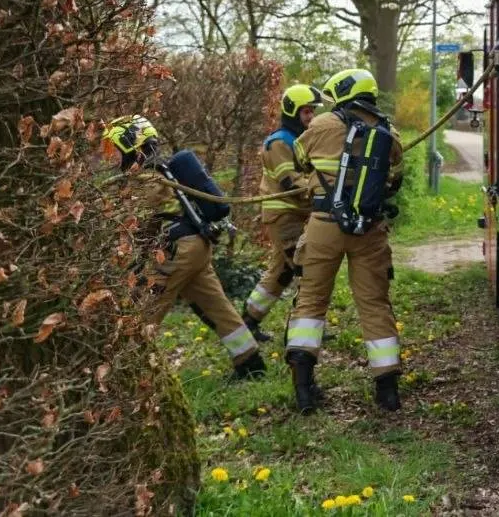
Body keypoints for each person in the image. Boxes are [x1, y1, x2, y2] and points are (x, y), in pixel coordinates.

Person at [103, 115, 265, 381]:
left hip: (176, 252)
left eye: (116, 150)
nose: (114, 159)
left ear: (132, 146)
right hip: (195, 248)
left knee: (143, 311)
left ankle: (126, 375)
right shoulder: (162, 172)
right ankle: (251, 362)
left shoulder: (147, 180)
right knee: (215, 305)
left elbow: (133, 224)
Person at [284, 68, 405, 414]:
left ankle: (304, 389)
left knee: (310, 302)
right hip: (369, 228)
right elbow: (397, 174)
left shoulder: (321, 125)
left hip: (324, 224)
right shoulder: (387, 131)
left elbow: (300, 158)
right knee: (374, 302)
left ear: (340, 92)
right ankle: (387, 391)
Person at [242, 84, 325, 342]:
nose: (311, 117)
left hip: (296, 214)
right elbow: (291, 182)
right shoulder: (279, 143)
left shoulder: (299, 139)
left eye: (312, 111)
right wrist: (325, 192)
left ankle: (248, 323)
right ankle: (301, 331)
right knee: (307, 268)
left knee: (281, 272)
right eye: (306, 112)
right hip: (284, 217)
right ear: (292, 112)